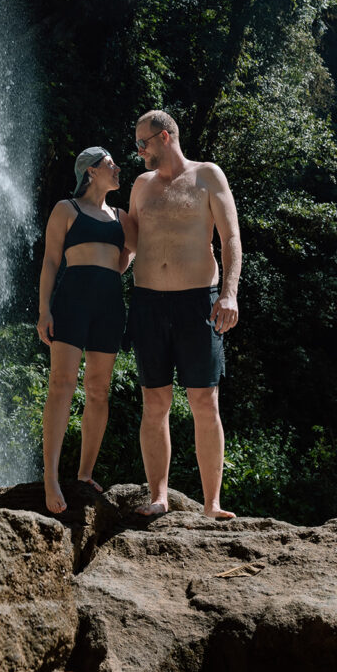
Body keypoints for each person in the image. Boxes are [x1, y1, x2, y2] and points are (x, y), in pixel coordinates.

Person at [126, 110, 241, 519]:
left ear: (163, 137)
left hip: (199, 303)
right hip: (147, 305)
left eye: (142, 143)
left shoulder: (208, 175)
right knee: (154, 403)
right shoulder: (140, 186)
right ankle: (159, 497)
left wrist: (229, 294)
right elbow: (128, 249)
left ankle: (212, 504)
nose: (138, 152)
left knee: (204, 401)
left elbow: (230, 237)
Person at [37, 146, 135, 514]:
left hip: (110, 305)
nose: (118, 168)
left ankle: (84, 474)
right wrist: (44, 309)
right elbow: (50, 261)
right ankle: (50, 477)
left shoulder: (121, 216)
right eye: (111, 164)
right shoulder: (67, 209)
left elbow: (127, 259)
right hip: (72, 300)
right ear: (92, 172)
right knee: (62, 383)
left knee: (99, 389)